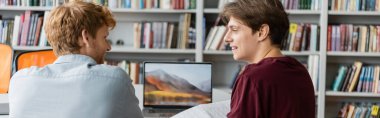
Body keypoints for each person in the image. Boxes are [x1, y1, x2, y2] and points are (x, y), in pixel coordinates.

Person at [9, 1, 143, 118]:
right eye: (104, 37)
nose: (108, 47)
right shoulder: (116, 80)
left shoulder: (19, 81)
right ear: (86, 37)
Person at [221, 0, 316, 118]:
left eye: (234, 29)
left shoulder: (252, 78)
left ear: (262, 32)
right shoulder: (299, 70)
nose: (226, 38)